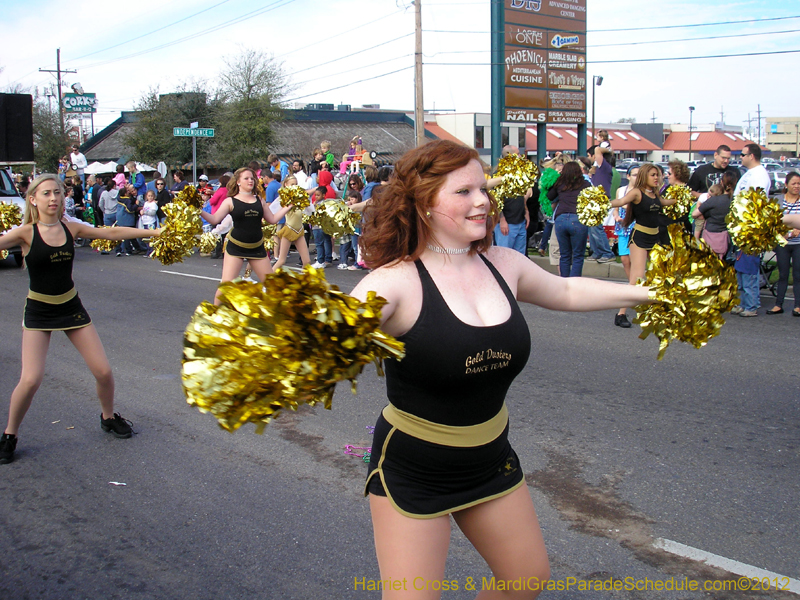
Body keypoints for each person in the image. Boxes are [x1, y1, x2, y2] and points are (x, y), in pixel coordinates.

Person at [349, 140, 650, 598]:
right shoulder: (393, 282)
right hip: (415, 469)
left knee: (525, 579)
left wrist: (649, 296)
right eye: (463, 191)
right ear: (424, 203)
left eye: (483, 189)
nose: (482, 201)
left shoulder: (503, 263)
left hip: (490, 458)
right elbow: (329, 338)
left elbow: (567, 293)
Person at [0, 174, 160, 465]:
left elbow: (109, 234)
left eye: (57, 193)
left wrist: (154, 234)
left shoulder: (70, 228)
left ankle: (108, 417)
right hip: (38, 311)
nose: (53, 198)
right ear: (33, 199)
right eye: (46, 193)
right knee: (31, 379)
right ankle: (9, 435)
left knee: (103, 372)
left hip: (71, 307)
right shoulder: (24, 233)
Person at [200, 167, 292, 304]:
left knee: (273, 286)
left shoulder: (259, 200)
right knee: (226, 286)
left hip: (256, 247)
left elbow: (272, 219)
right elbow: (214, 219)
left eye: (252, 178)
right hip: (236, 247)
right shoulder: (230, 201)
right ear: (238, 182)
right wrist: (197, 210)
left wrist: (289, 206)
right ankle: (214, 316)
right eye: (246, 178)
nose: (250, 181)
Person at [610, 164, 676, 317]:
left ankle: (660, 310)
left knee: (660, 274)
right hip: (639, 238)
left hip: (655, 238)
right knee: (637, 278)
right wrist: (603, 203)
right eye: (652, 175)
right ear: (645, 176)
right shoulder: (636, 193)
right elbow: (620, 202)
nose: (656, 178)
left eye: (657, 175)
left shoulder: (655, 194)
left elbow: (664, 203)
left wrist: (681, 197)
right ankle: (621, 313)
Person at [730, 143, 772, 318]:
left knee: (749, 268)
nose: (740, 157)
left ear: (751, 156)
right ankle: (742, 302)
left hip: (750, 229)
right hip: (740, 227)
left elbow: (757, 203)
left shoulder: (760, 176)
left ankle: (751, 305)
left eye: (742, 154)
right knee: (740, 267)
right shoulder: (749, 174)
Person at [549, 161, 592, 277]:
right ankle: (575, 284)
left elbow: (549, 196)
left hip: (560, 219)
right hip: (578, 218)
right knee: (578, 255)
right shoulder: (585, 184)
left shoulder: (559, 184)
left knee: (564, 255)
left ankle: (565, 282)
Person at [766, 171, 800, 316]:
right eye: (794, 183)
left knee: (798, 275)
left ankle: (798, 306)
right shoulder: (778, 200)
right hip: (783, 243)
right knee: (783, 273)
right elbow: (771, 220)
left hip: (798, 243)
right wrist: (783, 233)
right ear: (786, 185)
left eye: (799, 183)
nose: (797, 186)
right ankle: (778, 304)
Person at [612, 165, 639, 327]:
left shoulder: (641, 192)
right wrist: (616, 216)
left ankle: (624, 308)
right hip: (623, 228)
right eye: (634, 174)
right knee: (625, 260)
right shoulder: (621, 191)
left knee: (636, 265)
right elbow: (616, 208)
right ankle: (634, 288)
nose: (637, 177)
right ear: (628, 176)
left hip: (636, 228)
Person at [494, 145, 532, 256]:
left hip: (520, 220)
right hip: (507, 222)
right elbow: (495, 199)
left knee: (520, 256)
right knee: (505, 255)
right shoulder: (499, 175)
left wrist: (526, 211)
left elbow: (521, 196)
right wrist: (502, 219)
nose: (521, 156)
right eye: (518, 154)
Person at [691, 171, 738, 259]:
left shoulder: (713, 200)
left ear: (721, 182)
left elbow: (694, 214)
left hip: (710, 235)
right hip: (726, 238)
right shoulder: (735, 201)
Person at [273, 176, 312, 270]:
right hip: (289, 230)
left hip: (300, 230)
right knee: (281, 260)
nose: (295, 186)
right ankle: (266, 280)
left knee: (307, 261)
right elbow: (272, 211)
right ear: (286, 185)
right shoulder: (283, 198)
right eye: (292, 184)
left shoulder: (299, 197)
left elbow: (309, 209)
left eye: (296, 184)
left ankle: (303, 282)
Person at [587, 145, 616, 263]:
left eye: (590, 156)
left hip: (600, 199)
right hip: (594, 199)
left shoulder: (604, 166)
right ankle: (596, 252)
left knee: (596, 228)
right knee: (592, 227)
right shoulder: (598, 169)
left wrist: (609, 150)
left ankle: (607, 253)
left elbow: (597, 149)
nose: (589, 158)